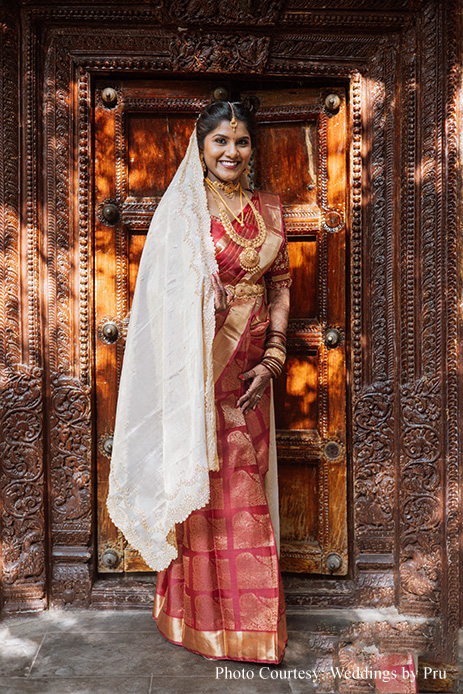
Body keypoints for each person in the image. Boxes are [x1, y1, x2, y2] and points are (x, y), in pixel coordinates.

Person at [106, 100, 291, 664]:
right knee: (215, 492)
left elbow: (280, 284)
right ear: (200, 146)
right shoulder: (182, 212)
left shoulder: (270, 208)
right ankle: (209, 623)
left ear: (251, 148)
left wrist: (275, 358)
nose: (231, 152)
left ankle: (246, 623)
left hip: (251, 374)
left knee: (247, 478)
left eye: (240, 141)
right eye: (220, 142)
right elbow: (163, 302)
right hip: (201, 376)